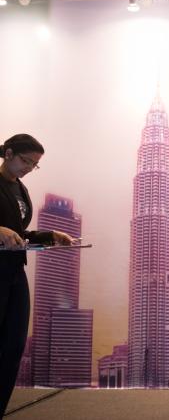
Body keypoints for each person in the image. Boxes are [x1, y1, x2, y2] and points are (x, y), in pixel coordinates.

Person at [0, 134, 76, 416]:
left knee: (14, 345)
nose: (29, 169)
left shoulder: (20, 190)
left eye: (34, 165)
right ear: (8, 154)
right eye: (26, 161)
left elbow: (18, 233)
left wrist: (50, 235)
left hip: (13, 272)